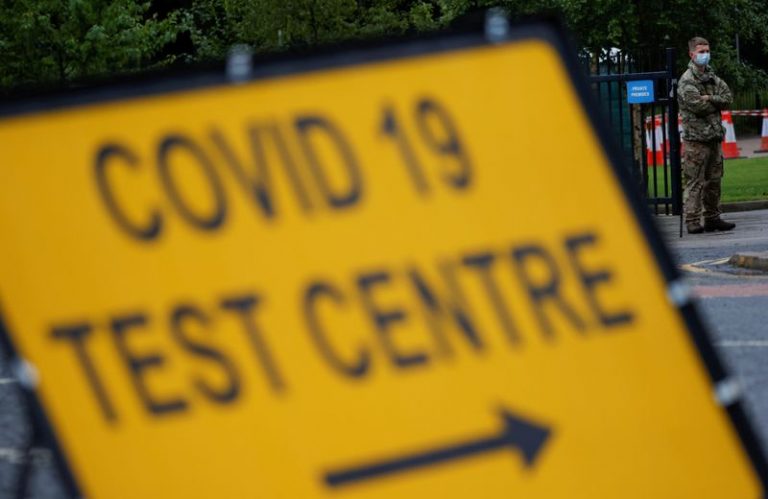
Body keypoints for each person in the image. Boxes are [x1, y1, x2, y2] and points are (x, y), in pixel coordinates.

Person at [677, 36, 736, 234]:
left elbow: (728, 99)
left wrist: (710, 97)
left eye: (707, 51)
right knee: (694, 182)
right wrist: (713, 103)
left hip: (714, 137)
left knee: (714, 180)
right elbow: (697, 106)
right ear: (692, 54)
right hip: (696, 139)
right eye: (701, 52)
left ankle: (712, 218)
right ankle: (692, 220)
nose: (705, 55)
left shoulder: (712, 77)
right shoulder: (687, 80)